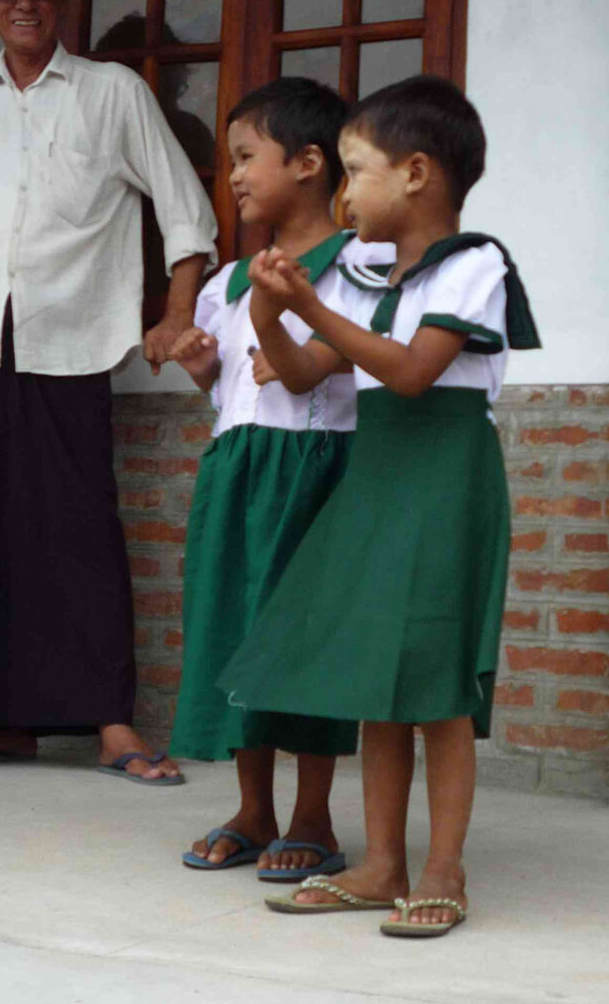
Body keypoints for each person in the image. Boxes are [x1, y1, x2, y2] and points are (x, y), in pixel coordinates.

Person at [217, 75, 540, 934]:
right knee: (376, 678)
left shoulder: (475, 266)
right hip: (376, 481)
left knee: (435, 686)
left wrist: (313, 303)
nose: (345, 192)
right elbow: (298, 371)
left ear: (417, 175)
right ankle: (380, 863)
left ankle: (444, 867)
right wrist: (273, 311)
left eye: (356, 172)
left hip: (442, 477)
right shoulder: (366, 275)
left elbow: (408, 372)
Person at [0, 0, 217, 782]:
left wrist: (176, 315)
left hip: (67, 343)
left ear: (62, 1)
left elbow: (185, 211)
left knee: (78, 536)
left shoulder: (114, 93)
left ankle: (111, 726)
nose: (24, 2)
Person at [168, 78, 392, 879]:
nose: (231, 176)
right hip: (239, 469)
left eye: (243, 158)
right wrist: (203, 368)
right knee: (237, 636)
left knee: (309, 644)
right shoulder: (231, 279)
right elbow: (234, 389)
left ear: (306, 163)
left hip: (317, 470)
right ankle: (252, 809)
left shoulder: (359, 265)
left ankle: (313, 818)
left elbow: (338, 369)